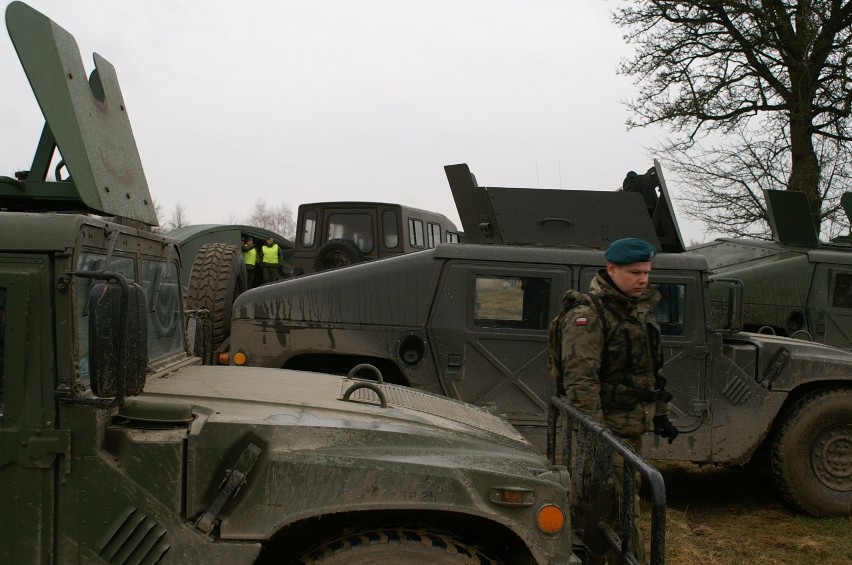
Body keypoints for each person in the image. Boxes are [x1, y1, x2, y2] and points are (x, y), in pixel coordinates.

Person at [548, 237, 678, 564]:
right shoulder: (589, 315)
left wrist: (660, 412)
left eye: (647, 272)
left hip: (630, 429)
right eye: (635, 272)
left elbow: (649, 370)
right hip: (609, 435)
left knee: (608, 508)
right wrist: (601, 441)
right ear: (611, 269)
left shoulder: (637, 312)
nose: (643, 279)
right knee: (622, 513)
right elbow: (581, 385)